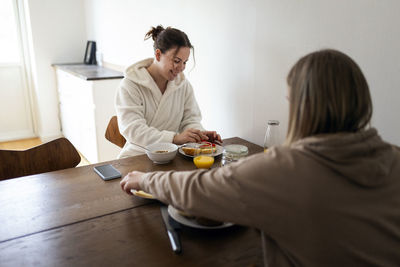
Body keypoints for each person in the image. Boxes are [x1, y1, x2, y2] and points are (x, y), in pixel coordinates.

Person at [120, 49, 400, 266]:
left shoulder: (286, 170)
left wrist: (145, 179)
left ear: (304, 107)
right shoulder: (395, 157)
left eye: (290, 101)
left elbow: (197, 189)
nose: (180, 68)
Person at [115, 25, 221, 158]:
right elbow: (133, 130)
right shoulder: (130, 85)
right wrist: (174, 139)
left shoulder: (183, 85)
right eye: (177, 61)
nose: (181, 68)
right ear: (158, 54)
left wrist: (200, 135)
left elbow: (190, 119)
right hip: (138, 156)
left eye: (185, 62)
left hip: (171, 156)